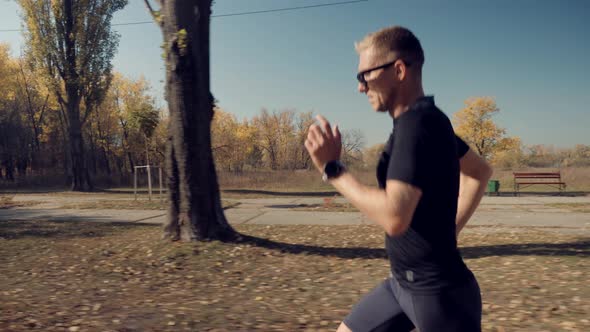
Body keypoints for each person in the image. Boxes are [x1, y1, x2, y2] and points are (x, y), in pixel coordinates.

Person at [305, 26, 492, 332]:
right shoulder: (428, 121)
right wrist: (450, 229)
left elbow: (394, 216)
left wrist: (332, 169)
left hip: (440, 296)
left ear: (399, 70)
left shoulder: (417, 126)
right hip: (400, 286)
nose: (360, 87)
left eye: (364, 75)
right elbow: (479, 172)